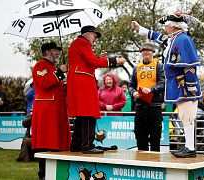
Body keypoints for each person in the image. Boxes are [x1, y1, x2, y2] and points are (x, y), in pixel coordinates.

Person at [131, 13, 202, 157]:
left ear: (173, 26)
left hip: (185, 86)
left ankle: (190, 148)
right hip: (180, 85)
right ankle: (188, 146)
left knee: (187, 115)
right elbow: (157, 36)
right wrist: (140, 28)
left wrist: (191, 86)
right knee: (183, 115)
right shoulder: (174, 38)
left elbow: (190, 65)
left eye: (166, 26)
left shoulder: (182, 39)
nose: (165, 28)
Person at [67, 26, 126, 154]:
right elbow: (93, 62)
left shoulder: (79, 44)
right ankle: (87, 145)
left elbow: (88, 62)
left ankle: (77, 144)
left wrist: (98, 58)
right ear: (88, 34)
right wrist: (114, 60)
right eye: (94, 35)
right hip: (82, 82)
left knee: (82, 115)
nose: (95, 39)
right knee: (88, 113)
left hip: (79, 80)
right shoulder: (83, 42)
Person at [31, 42, 71, 179]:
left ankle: (54, 173)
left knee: (56, 142)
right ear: (47, 52)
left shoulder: (53, 67)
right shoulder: (40, 65)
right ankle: (43, 174)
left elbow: (59, 87)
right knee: (45, 142)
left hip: (57, 109)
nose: (58, 53)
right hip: (46, 110)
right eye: (55, 50)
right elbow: (45, 83)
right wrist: (60, 72)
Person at [128, 42, 165, 152]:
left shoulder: (159, 65)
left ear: (153, 52)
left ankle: (155, 165)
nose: (145, 52)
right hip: (140, 106)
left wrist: (151, 90)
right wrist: (133, 93)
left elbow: (163, 83)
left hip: (154, 106)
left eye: (148, 50)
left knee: (155, 137)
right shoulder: (136, 68)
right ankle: (141, 163)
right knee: (140, 136)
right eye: (143, 50)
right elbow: (131, 85)